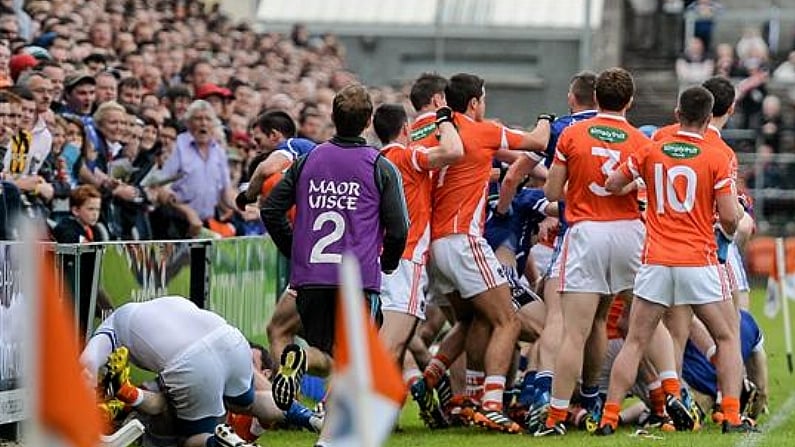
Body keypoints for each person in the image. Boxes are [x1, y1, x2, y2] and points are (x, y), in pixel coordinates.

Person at [598, 86, 754, 435]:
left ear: (677, 112)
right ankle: (730, 415)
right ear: (708, 117)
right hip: (697, 261)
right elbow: (730, 217)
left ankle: (608, 418)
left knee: (636, 341)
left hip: (655, 260)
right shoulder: (718, 155)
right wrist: (730, 216)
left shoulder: (651, 148)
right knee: (726, 337)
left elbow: (612, 182)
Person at [260, 84, 408, 447]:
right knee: (353, 362)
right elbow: (399, 226)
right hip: (357, 280)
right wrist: (387, 263)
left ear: (332, 118)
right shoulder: (380, 165)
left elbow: (270, 208)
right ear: (369, 121)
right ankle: (330, 438)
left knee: (319, 348)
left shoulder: (309, 160)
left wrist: (297, 251)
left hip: (311, 279)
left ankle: (298, 363)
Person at [410, 73, 551, 434]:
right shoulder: (481, 129)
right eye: (483, 99)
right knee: (509, 320)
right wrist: (547, 120)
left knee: (472, 320)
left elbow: (482, 166)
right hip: (463, 240)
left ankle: (439, 385)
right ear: (474, 103)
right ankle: (491, 403)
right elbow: (537, 141)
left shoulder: (439, 133)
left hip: (435, 245)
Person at [537, 67, 649, 436]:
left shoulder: (572, 133)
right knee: (615, 320)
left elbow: (552, 193)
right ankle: (597, 398)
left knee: (574, 331)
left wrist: (581, 190)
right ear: (629, 101)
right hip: (630, 234)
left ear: (595, 98)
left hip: (587, 233)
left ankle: (554, 417)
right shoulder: (639, 141)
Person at [81, 296, 319, 447]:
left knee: (192, 439)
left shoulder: (109, 330)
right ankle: (309, 416)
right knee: (248, 402)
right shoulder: (160, 305)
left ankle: (227, 443)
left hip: (189, 362)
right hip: (229, 338)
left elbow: (86, 367)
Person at [372, 102, 462, 369]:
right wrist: (445, 118)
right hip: (405, 259)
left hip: (376, 259)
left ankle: (339, 407)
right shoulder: (408, 156)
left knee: (381, 344)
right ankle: (352, 408)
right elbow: (453, 151)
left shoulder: (374, 161)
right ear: (405, 128)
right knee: (390, 348)